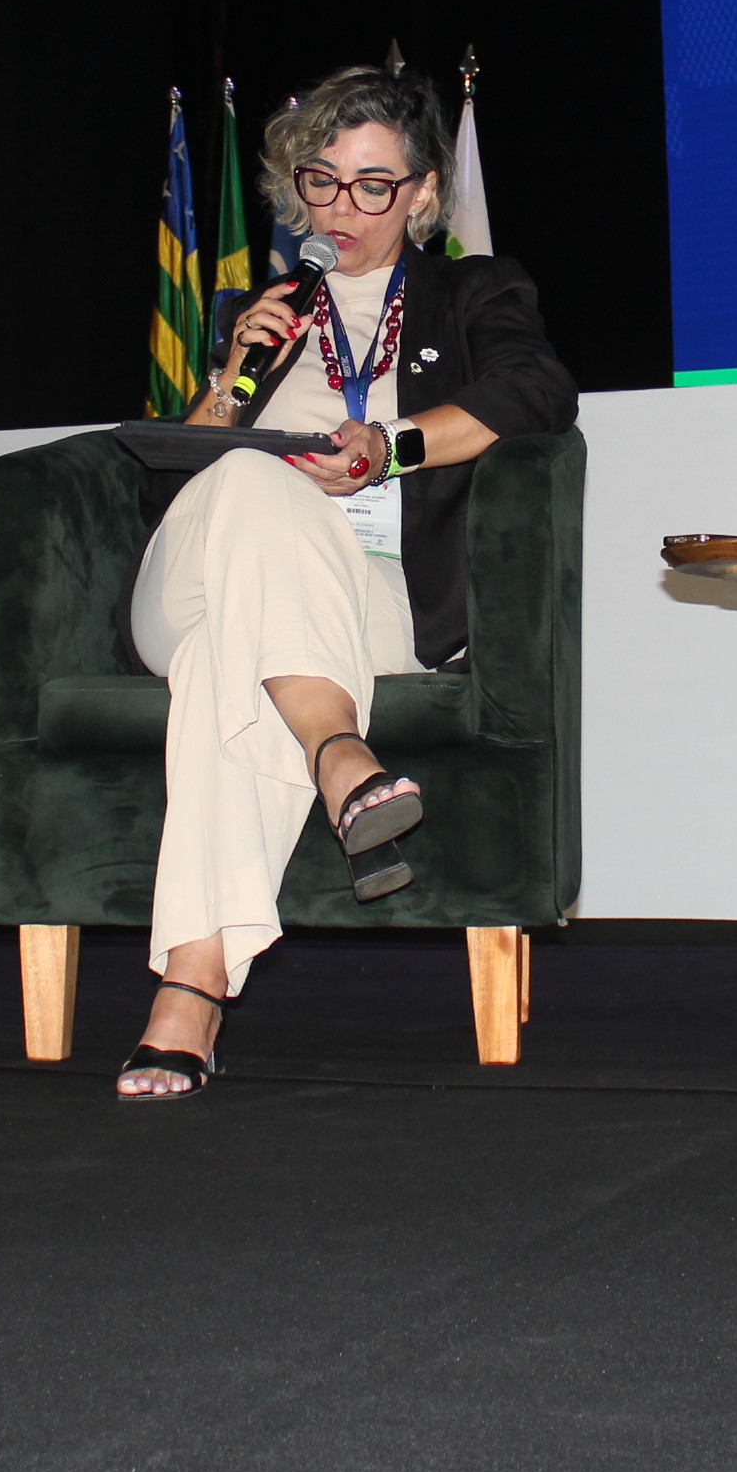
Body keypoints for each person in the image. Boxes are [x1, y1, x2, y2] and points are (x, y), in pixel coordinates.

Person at [117, 65, 577, 1098]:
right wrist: (227, 383)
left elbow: (537, 390)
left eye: (374, 185)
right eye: (322, 181)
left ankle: (189, 991)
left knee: (226, 659)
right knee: (251, 478)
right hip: (198, 578)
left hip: (372, 602)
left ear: (422, 192)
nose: (342, 208)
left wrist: (390, 447)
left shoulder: (472, 294)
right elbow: (171, 484)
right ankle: (338, 752)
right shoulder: (264, 310)